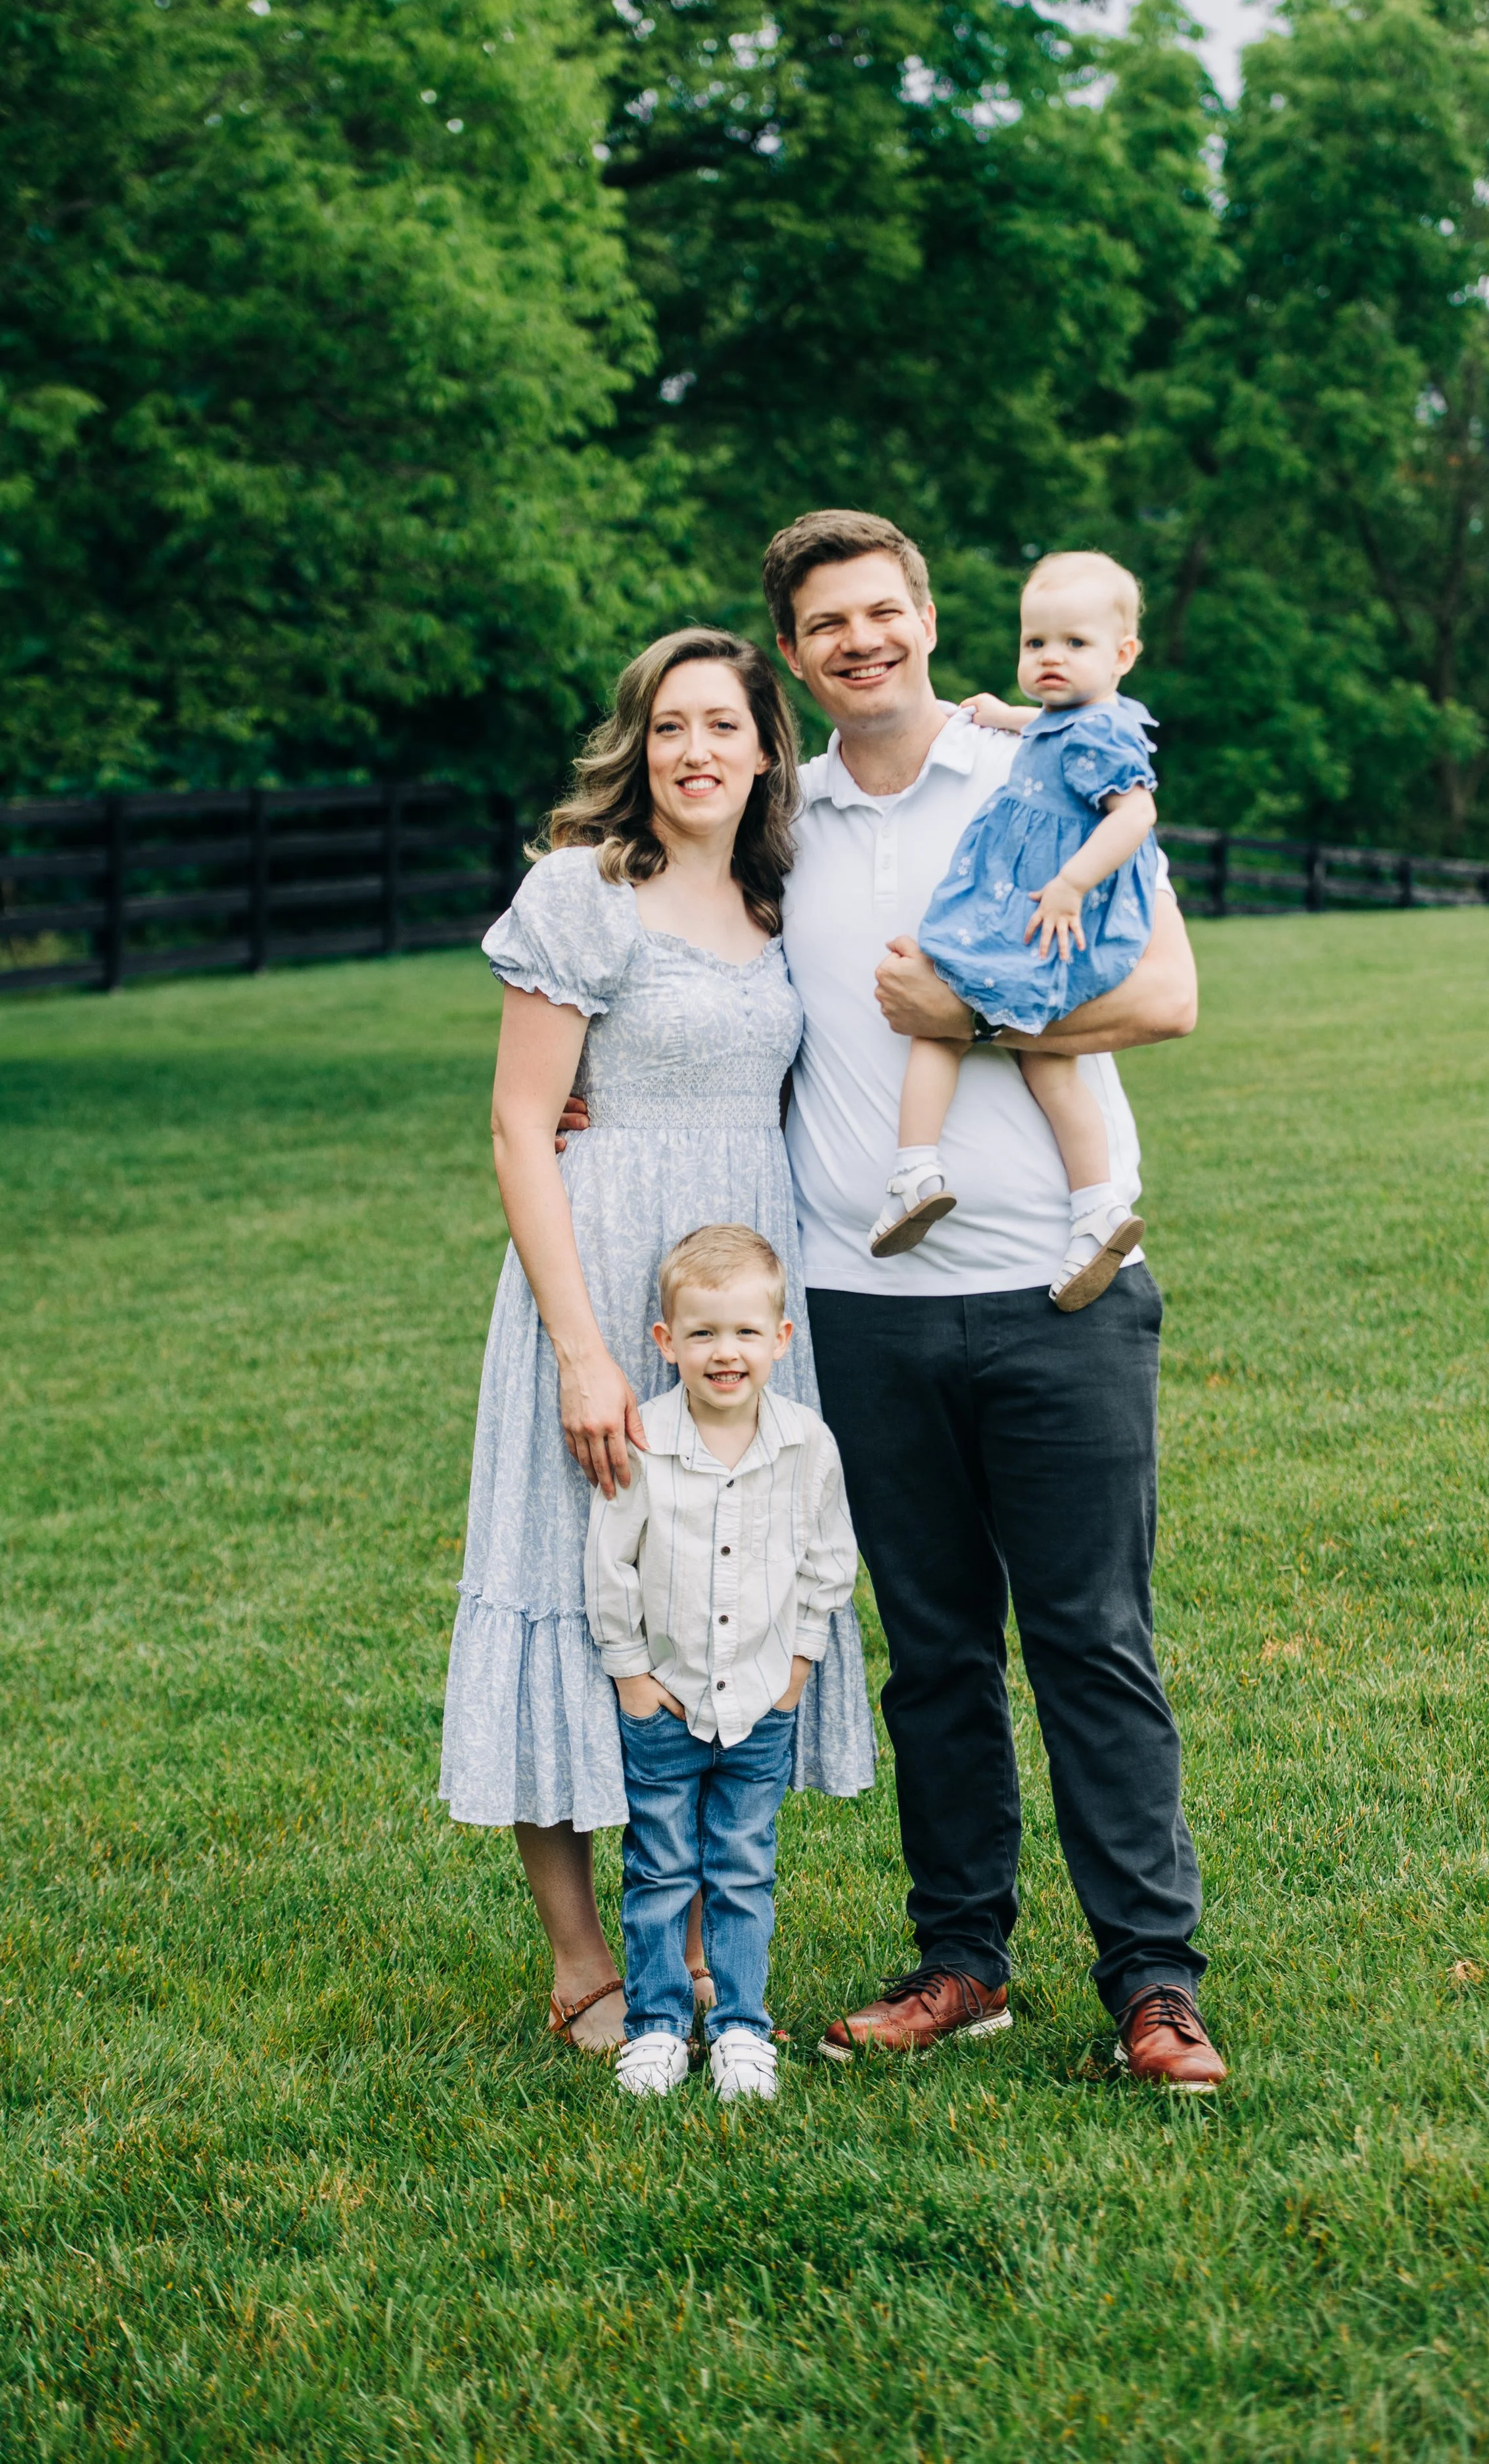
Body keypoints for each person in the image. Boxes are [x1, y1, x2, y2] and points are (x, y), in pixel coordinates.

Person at [767, 508, 1227, 2091]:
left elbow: (1167, 993)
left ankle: (1154, 1985)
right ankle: (961, 1959)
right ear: (795, 652)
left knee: (1093, 1636)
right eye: (829, 623)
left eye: (885, 611)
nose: (863, 641)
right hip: (862, 1298)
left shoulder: (1034, 761)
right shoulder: (783, 821)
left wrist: (964, 1000)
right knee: (935, 1650)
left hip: (1060, 1286)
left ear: (927, 615)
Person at [438, 628, 875, 2054]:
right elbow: (518, 1123)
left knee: (714, 1599)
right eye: (670, 725)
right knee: (574, 1586)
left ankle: (684, 1949)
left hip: (743, 1289)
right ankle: (583, 1967)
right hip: (600, 1276)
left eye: (725, 725)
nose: (697, 750)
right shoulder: (582, 893)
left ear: (767, 745)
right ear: (641, 743)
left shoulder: (780, 895)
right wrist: (582, 1352)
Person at [586, 1225, 858, 2103]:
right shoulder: (645, 1442)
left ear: (781, 1339)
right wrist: (630, 1673)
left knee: (743, 1865)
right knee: (660, 1866)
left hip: (759, 1701)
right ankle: (659, 2026)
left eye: (745, 1331)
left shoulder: (806, 1442)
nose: (725, 1351)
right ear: (666, 1343)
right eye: (702, 1333)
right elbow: (609, 1562)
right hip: (664, 1700)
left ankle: (741, 2024)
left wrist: (799, 1664)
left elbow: (828, 1558)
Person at [872, 551, 1160, 1313]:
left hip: (1039, 912)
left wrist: (1069, 885)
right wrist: (1006, 715)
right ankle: (1094, 1204)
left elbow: (1136, 813)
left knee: (941, 1025)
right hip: (1024, 905)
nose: (1050, 658)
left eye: (1074, 644)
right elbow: (1054, 734)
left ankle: (916, 1171)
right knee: (1046, 1059)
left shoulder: (1103, 736)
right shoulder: (1070, 722)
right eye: (1036, 644)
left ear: (1123, 655)